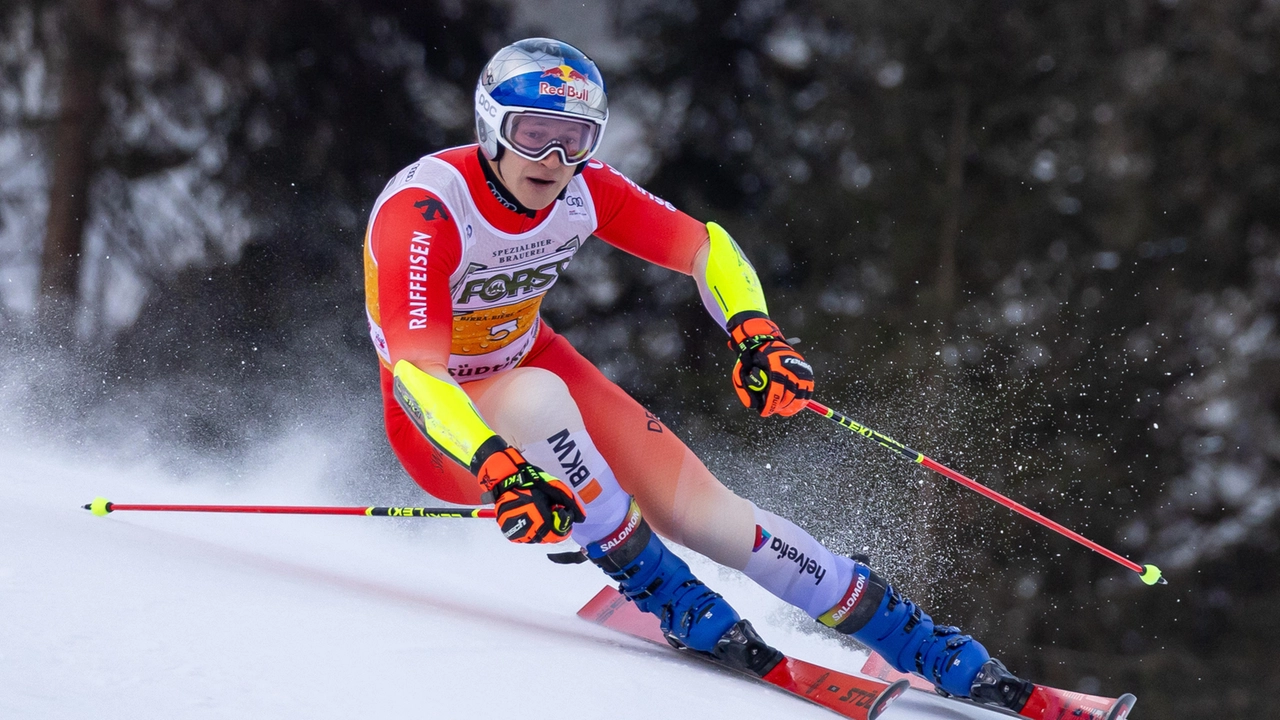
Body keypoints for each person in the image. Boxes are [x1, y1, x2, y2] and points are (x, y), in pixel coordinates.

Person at [363, 37, 1033, 711]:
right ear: (491, 129)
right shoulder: (426, 212)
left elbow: (704, 247)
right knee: (540, 399)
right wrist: (496, 467)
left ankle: (915, 640)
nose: (553, 160)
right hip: (441, 420)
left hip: (533, 362)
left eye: (575, 140)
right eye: (533, 136)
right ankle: (663, 589)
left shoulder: (585, 190)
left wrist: (756, 333)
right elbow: (417, 372)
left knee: (711, 519)